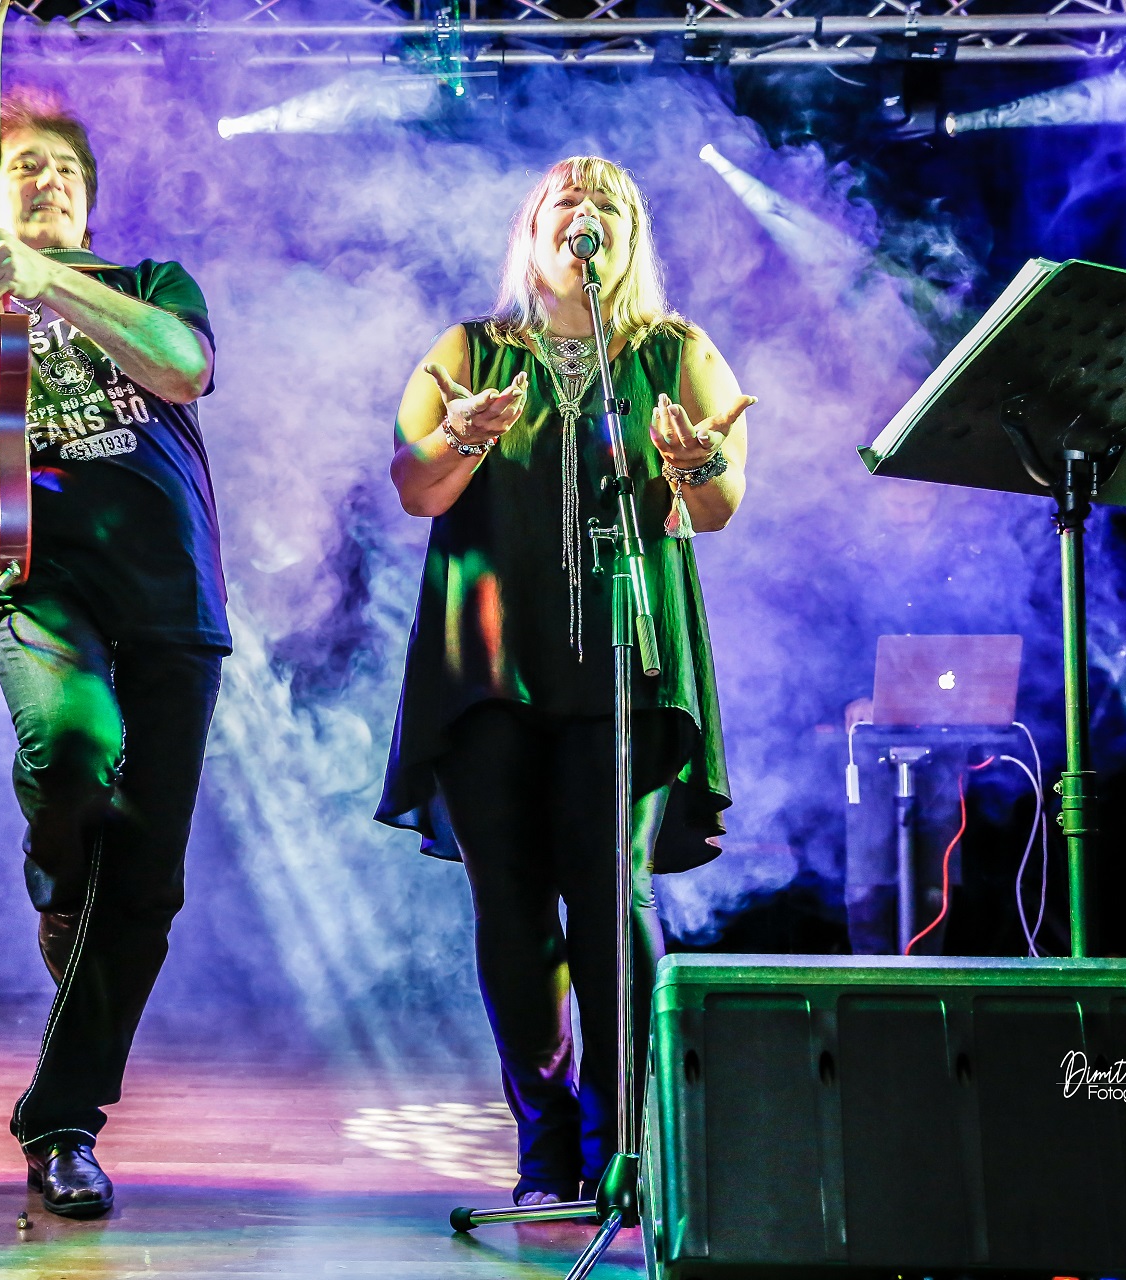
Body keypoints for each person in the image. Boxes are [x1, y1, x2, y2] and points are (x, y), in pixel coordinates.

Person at [375, 156, 754, 1205]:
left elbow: (719, 505)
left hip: (628, 663)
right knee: (512, 905)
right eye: (565, 200)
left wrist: (692, 464)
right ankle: (544, 1147)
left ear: (632, 236)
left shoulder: (676, 350)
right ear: (530, 232)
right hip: (490, 662)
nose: (586, 212)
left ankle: (622, 1143)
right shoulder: (470, 348)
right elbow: (413, 487)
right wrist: (458, 436)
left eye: (609, 203)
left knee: (612, 893)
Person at [0, 93, 228, 1219]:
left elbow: (183, 370)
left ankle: (62, 1124)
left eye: (63, 170)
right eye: (22, 168)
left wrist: (44, 279)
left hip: (172, 598)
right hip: (38, 587)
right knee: (75, 738)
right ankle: (58, 889)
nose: (46, 181)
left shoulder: (149, 286)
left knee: (145, 883)